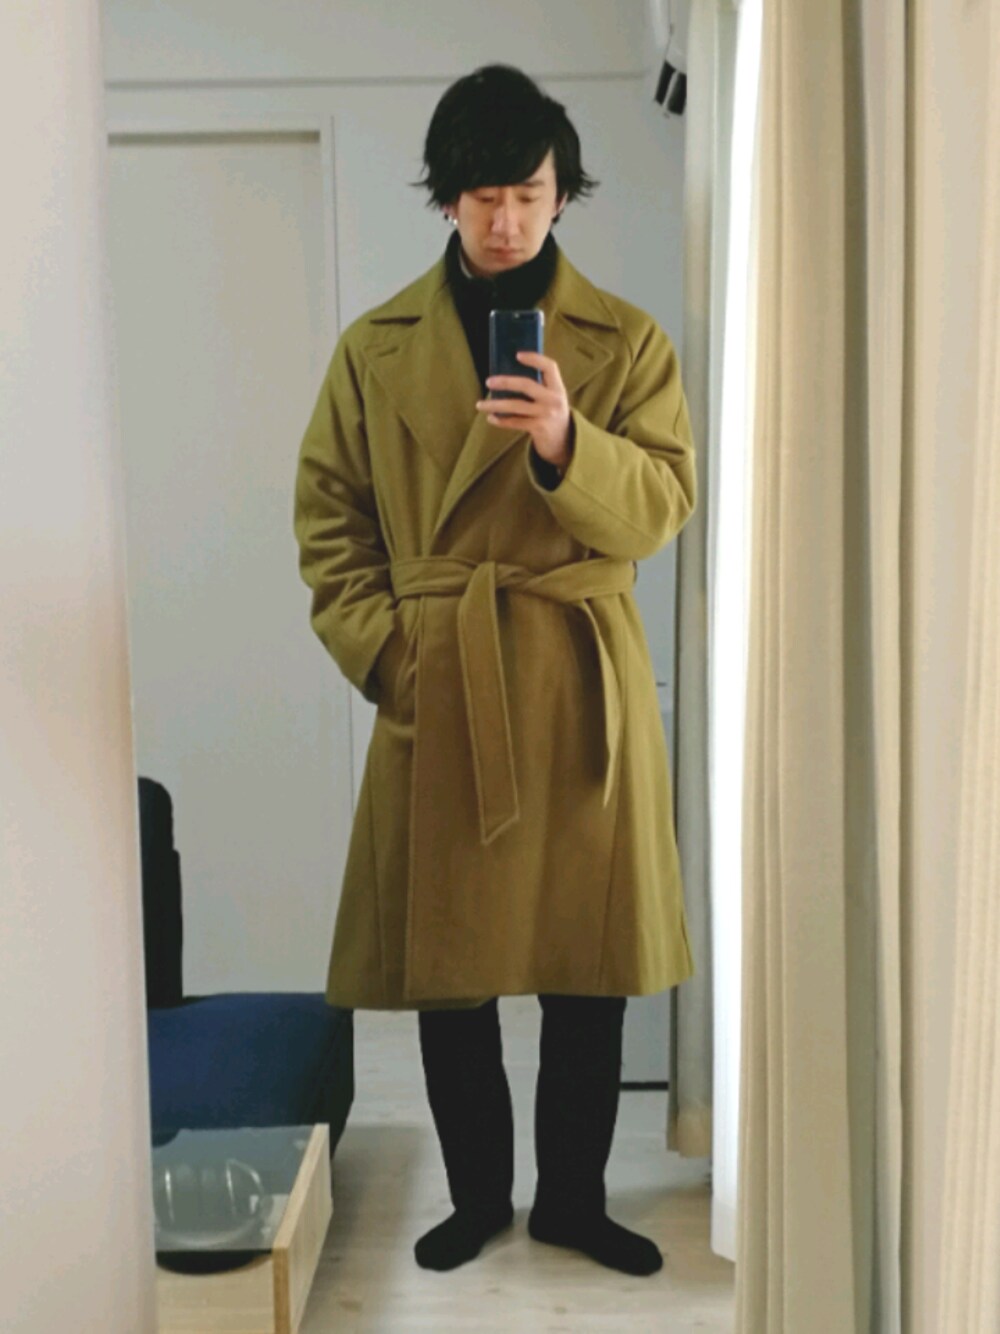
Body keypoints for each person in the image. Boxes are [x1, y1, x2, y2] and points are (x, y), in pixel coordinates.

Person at [293, 64, 697, 1278]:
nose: (507, 220)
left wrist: (568, 440)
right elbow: (329, 520)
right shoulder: (375, 349)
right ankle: (478, 1197)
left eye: (527, 192)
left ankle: (572, 1197)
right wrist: (392, 655)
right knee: (452, 970)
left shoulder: (625, 341)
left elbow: (663, 503)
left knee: (588, 966)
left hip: (578, 678)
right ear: (446, 199)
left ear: (562, 192)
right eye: (483, 196)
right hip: (445, 675)